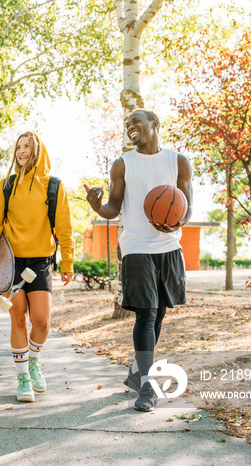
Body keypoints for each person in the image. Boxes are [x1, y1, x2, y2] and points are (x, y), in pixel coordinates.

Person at [84, 109, 193, 412]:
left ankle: (136, 372)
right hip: (136, 246)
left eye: (136, 122)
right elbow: (113, 208)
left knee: (159, 314)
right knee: (146, 314)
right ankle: (148, 386)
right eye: (127, 124)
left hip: (168, 247)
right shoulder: (123, 164)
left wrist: (178, 221)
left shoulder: (178, 161)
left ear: (155, 125)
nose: (131, 127)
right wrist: (96, 205)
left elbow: (188, 207)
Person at [0, 131, 74, 403]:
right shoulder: (6, 185)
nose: (22, 151)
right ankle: (22, 379)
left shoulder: (53, 185)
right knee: (17, 318)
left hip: (41, 262)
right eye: (18, 147)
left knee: (42, 322)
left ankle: (34, 361)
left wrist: (67, 260)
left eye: (27, 146)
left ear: (38, 150)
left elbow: (64, 228)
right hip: (11, 264)